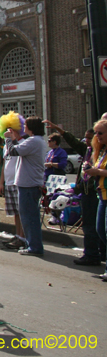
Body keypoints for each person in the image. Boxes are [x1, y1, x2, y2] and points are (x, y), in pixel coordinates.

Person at [45, 119, 106, 266]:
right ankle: (93, 253)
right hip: (89, 192)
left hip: (94, 193)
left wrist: (96, 172)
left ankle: (95, 254)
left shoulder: (99, 152)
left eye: (96, 135)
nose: (90, 140)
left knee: (96, 228)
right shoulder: (89, 151)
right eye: (90, 137)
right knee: (95, 227)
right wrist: (59, 130)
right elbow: (73, 141)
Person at [5, 117, 47, 256]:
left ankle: (34, 247)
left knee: (29, 218)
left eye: (26, 126)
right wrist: (15, 139)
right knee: (29, 217)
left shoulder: (33, 141)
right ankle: (32, 245)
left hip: (29, 184)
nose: (24, 128)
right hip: (30, 184)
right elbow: (19, 149)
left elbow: (13, 152)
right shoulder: (37, 141)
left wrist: (9, 138)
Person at [85, 119, 107, 280]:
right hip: (102, 195)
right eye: (96, 133)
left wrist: (97, 171)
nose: (97, 136)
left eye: (100, 133)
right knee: (100, 231)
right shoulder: (102, 151)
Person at [0, 133, 25, 250]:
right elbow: (5, 164)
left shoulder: (22, 143)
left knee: (21, 211)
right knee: (15, 212)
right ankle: (18, 234)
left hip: (17, 181)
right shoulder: (6, 145)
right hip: (9, 182)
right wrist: (1, 182)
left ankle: (22, 237)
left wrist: (12, 139)